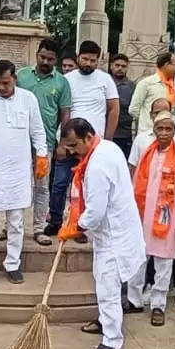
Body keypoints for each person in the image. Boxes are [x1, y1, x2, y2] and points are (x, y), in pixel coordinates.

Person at [58, 118, 146, 349]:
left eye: (75, 145)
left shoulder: (98, 164)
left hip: (114, 235)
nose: (72, 151)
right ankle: (106, 320)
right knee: (104, 280)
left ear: (88, 137)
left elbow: (95, 213)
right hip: (113, 231)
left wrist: (74, 227)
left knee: (107, 286)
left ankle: (111, 341)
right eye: (68, 146)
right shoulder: (107, 146)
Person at [0, 60, 49, 285]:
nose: (2, 87)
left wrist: (41, 155)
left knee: (16, 221)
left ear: (15, 79)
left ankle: (13, 264)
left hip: (18, 170)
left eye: (6, 82)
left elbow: (37, 131)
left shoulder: (28, 99)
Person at [126, 111, 175, 326]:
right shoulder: (147, 153)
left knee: (164, 263)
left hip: (168, 218)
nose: (164, 133)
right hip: (142, 216)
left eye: (169, 129)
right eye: (160, 129)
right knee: (137, 261)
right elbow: (135, 183)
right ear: (153, 130)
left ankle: (158, 305)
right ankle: (134, 301)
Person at [48, 40, 118, 239]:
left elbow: (113, 109)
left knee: (86, 187)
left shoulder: (105, 80)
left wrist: (108, 140)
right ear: (78, 57)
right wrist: (61, 142)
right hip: (68, 143)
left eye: (93, 60)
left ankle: (79, 226)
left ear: (99, 60)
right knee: (60, 183)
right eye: (85, 59)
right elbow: (61, 111)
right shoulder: (66, 79)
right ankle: (54, 221)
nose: (88, 63)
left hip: (92, 146)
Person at [17, 39, 72, 246]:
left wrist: (63, 143)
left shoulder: (61, 82)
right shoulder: (21, 76)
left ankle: (39, 229)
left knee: (41, 187)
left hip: (46, 143)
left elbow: (65, 113)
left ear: (56, 60)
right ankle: (10, 227)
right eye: (42, 57)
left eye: (50, 59)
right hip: (18, 142)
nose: (45, 62)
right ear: (36, 54)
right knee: (17, 185)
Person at [129, 52, 175, 138]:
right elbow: (133, 109)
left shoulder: (171, 85)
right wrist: (148, 121)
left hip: (167, 136)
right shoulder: (146, 83)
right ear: (166, 65)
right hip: (148, 134)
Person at [109, 53, 136, 158]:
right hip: (102, 132)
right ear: (111, 65)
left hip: (123, 135)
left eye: (123, 66)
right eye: (117, 65)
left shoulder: (132, 87)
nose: (120, 68)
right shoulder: (104, 83)